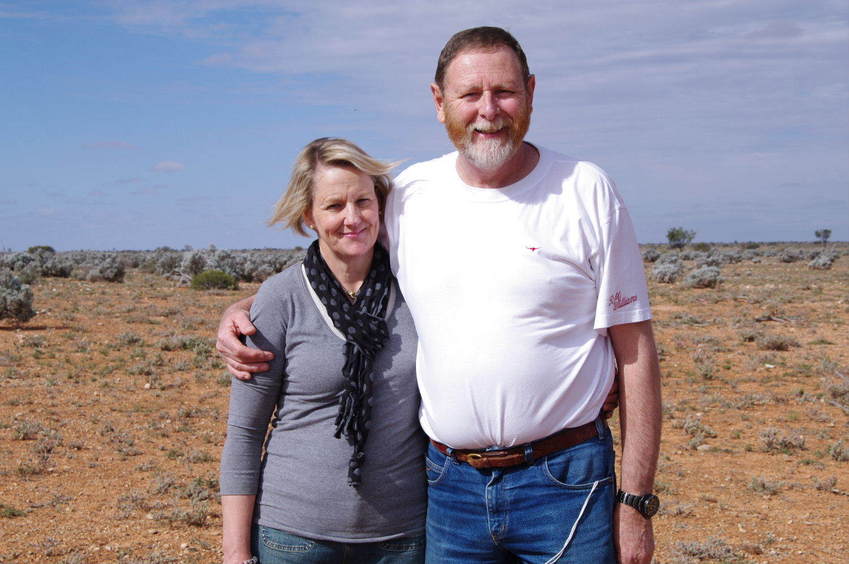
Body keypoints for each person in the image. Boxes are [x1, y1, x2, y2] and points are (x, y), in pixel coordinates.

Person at [218, 27, 661, 564]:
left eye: (505, 92)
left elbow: (635, 349)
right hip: (450, 493)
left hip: (565, 483)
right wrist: (242, 311)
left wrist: (635, 501)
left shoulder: (586, 190)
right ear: (439, 102)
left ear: (531, 92)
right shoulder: (411, 197)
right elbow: (334, 258)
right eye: (469, 95)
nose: (488, 110)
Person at [219, 138, 427, 564]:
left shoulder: (417, 288)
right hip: (293, 537)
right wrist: (235, 554)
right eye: (334, 206)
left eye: (363, 201)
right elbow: (244, 433)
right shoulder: (280, 299)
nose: (352, 218)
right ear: (308, 216)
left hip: (402, 537)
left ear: (380, 204)